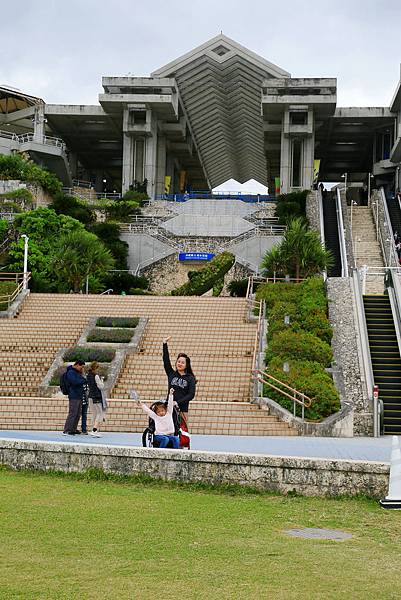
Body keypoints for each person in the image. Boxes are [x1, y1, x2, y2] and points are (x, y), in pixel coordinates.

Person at [162, 337, 196, 424]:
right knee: (168, 430)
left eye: (182, 362)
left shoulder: (190, 378)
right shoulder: (171, 374)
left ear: (186, 365)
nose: (180, 364)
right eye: (178, 361)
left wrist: (177, 402)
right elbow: (166, 360)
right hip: (169, 408)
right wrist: (164, 344)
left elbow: (191, 395)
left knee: (181, 433)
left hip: (182, 409)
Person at [62, 360, 87, 436]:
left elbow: (81, 380)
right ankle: (67, 429)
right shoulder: (71, 372)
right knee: (73, 413)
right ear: (77, 365)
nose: (82, 369)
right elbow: (75, 382)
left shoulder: (77, 372)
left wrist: (82, 378)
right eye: (81, 367)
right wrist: (83, 380)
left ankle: (73, 429)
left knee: (78, 414)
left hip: (79, 395)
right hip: (74, 395)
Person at [87, 361, 106, 437]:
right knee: (100, 413)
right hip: (96, 396)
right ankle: (95, 429)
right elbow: (101, 386)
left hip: (90, 396)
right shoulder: (96, 376)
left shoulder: (88, 375)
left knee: (94, 413)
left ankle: (92, 429)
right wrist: (102, 381)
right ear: (96, 368)